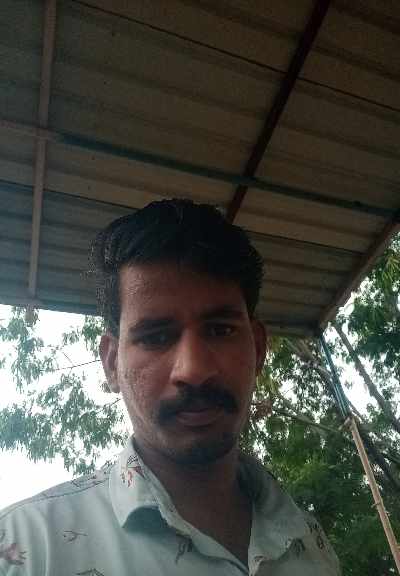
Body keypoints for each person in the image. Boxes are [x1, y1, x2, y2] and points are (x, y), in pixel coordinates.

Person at [0, 199, 340, 575]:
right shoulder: (30, 548)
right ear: (112, 363)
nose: (193, 370)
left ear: (258, 349)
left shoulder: (311, 543)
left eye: (220, 330)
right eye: (156, 337)